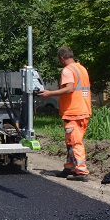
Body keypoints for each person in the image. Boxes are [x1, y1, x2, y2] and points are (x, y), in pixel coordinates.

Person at [37, 47, 92, 181]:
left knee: (75, 142)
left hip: (73, 111)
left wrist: (49, 93)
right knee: (70, 141)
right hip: (83, 110)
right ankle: (69, 167)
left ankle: (81, 171)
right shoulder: (81, 68)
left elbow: (69, 88)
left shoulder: (67, 70)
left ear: (62, 58)